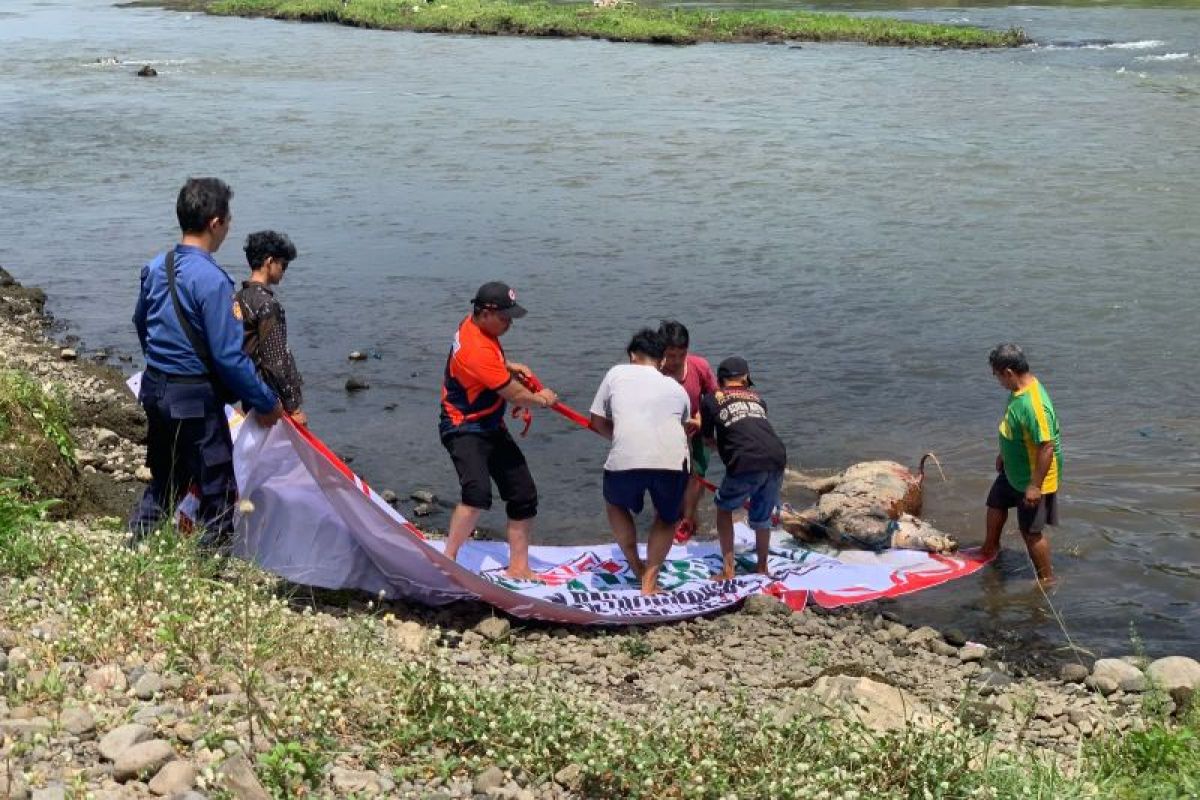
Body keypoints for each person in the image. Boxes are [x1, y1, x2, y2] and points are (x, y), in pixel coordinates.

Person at [130, 178, 283, 550]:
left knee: (166, 477)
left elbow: (140, 322)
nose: (229, 228)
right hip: (193, 397)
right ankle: (208, 569)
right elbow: (229, 357)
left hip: (155, 388)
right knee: (217, 485)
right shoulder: (213, 280)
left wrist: (163, 361)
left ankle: (135, 547)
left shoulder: (155, 267)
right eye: (228, 220)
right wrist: (265, 401)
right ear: (216, 222)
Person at [440, 282, 558, 580]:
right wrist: (542, 398)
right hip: (463, 426)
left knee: (524, 494)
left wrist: (507, 365)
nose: (509, 324)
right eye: (505, 318)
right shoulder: (477, 348)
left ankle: (518, 567)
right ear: (486, 312)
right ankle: (448, 560)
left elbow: (486, 366)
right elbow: (516, 395)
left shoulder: (473, 325)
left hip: (491, 424)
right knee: (477, 493)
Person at [589, 329, 691, 595]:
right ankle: (649, 583)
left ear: (633, 356)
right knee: (668, 518)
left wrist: (621, 437)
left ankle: (636, 565)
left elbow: (596, 421)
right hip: (672, 460)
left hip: (625, 458)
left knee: (615, 504)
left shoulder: (615, 373)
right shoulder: (676, 387)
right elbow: (680, 426)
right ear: (662, 360)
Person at [982, 343, 1062, 584]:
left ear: (1008, 372)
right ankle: (989, 549)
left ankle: (1047, 580)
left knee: (1031, 532)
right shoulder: (1018, 391)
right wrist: (1003, 454)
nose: (998, 381)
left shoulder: (1034, 405)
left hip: (1034, 477)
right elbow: (1014, 428)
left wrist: (1035, 486)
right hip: (1012, 470)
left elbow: (1046, 446)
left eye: (997, 375)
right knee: (995, 503)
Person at [701, 356, 787, 580]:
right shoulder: (758, 400)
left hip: (746, 461)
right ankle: (762, 567)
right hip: (777, 457)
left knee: (723, 508)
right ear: (746, 380)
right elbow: (753, 429)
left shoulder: (711, 400)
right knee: (762, 516)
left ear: (720, 381)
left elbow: (708, 439)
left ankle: (728, 570)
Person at [236, 231, 306, 426]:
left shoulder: (238, 298)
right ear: (269, 262)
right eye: (283, 264)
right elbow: (276, 360)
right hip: (273, 401)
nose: (284, 270)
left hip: (250, 393)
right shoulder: (268, 305)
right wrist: (294, 407)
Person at [657, 320, 718, 543]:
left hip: (696, 432)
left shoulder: (699, 366)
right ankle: (671, 520)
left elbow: (715, 398)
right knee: (667, 486)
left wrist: (704, 418)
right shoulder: (653, 372)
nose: (674, 361)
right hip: (663, 436)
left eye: (680, 355)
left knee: (697, 477)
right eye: (669, 356)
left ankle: (689, 521)